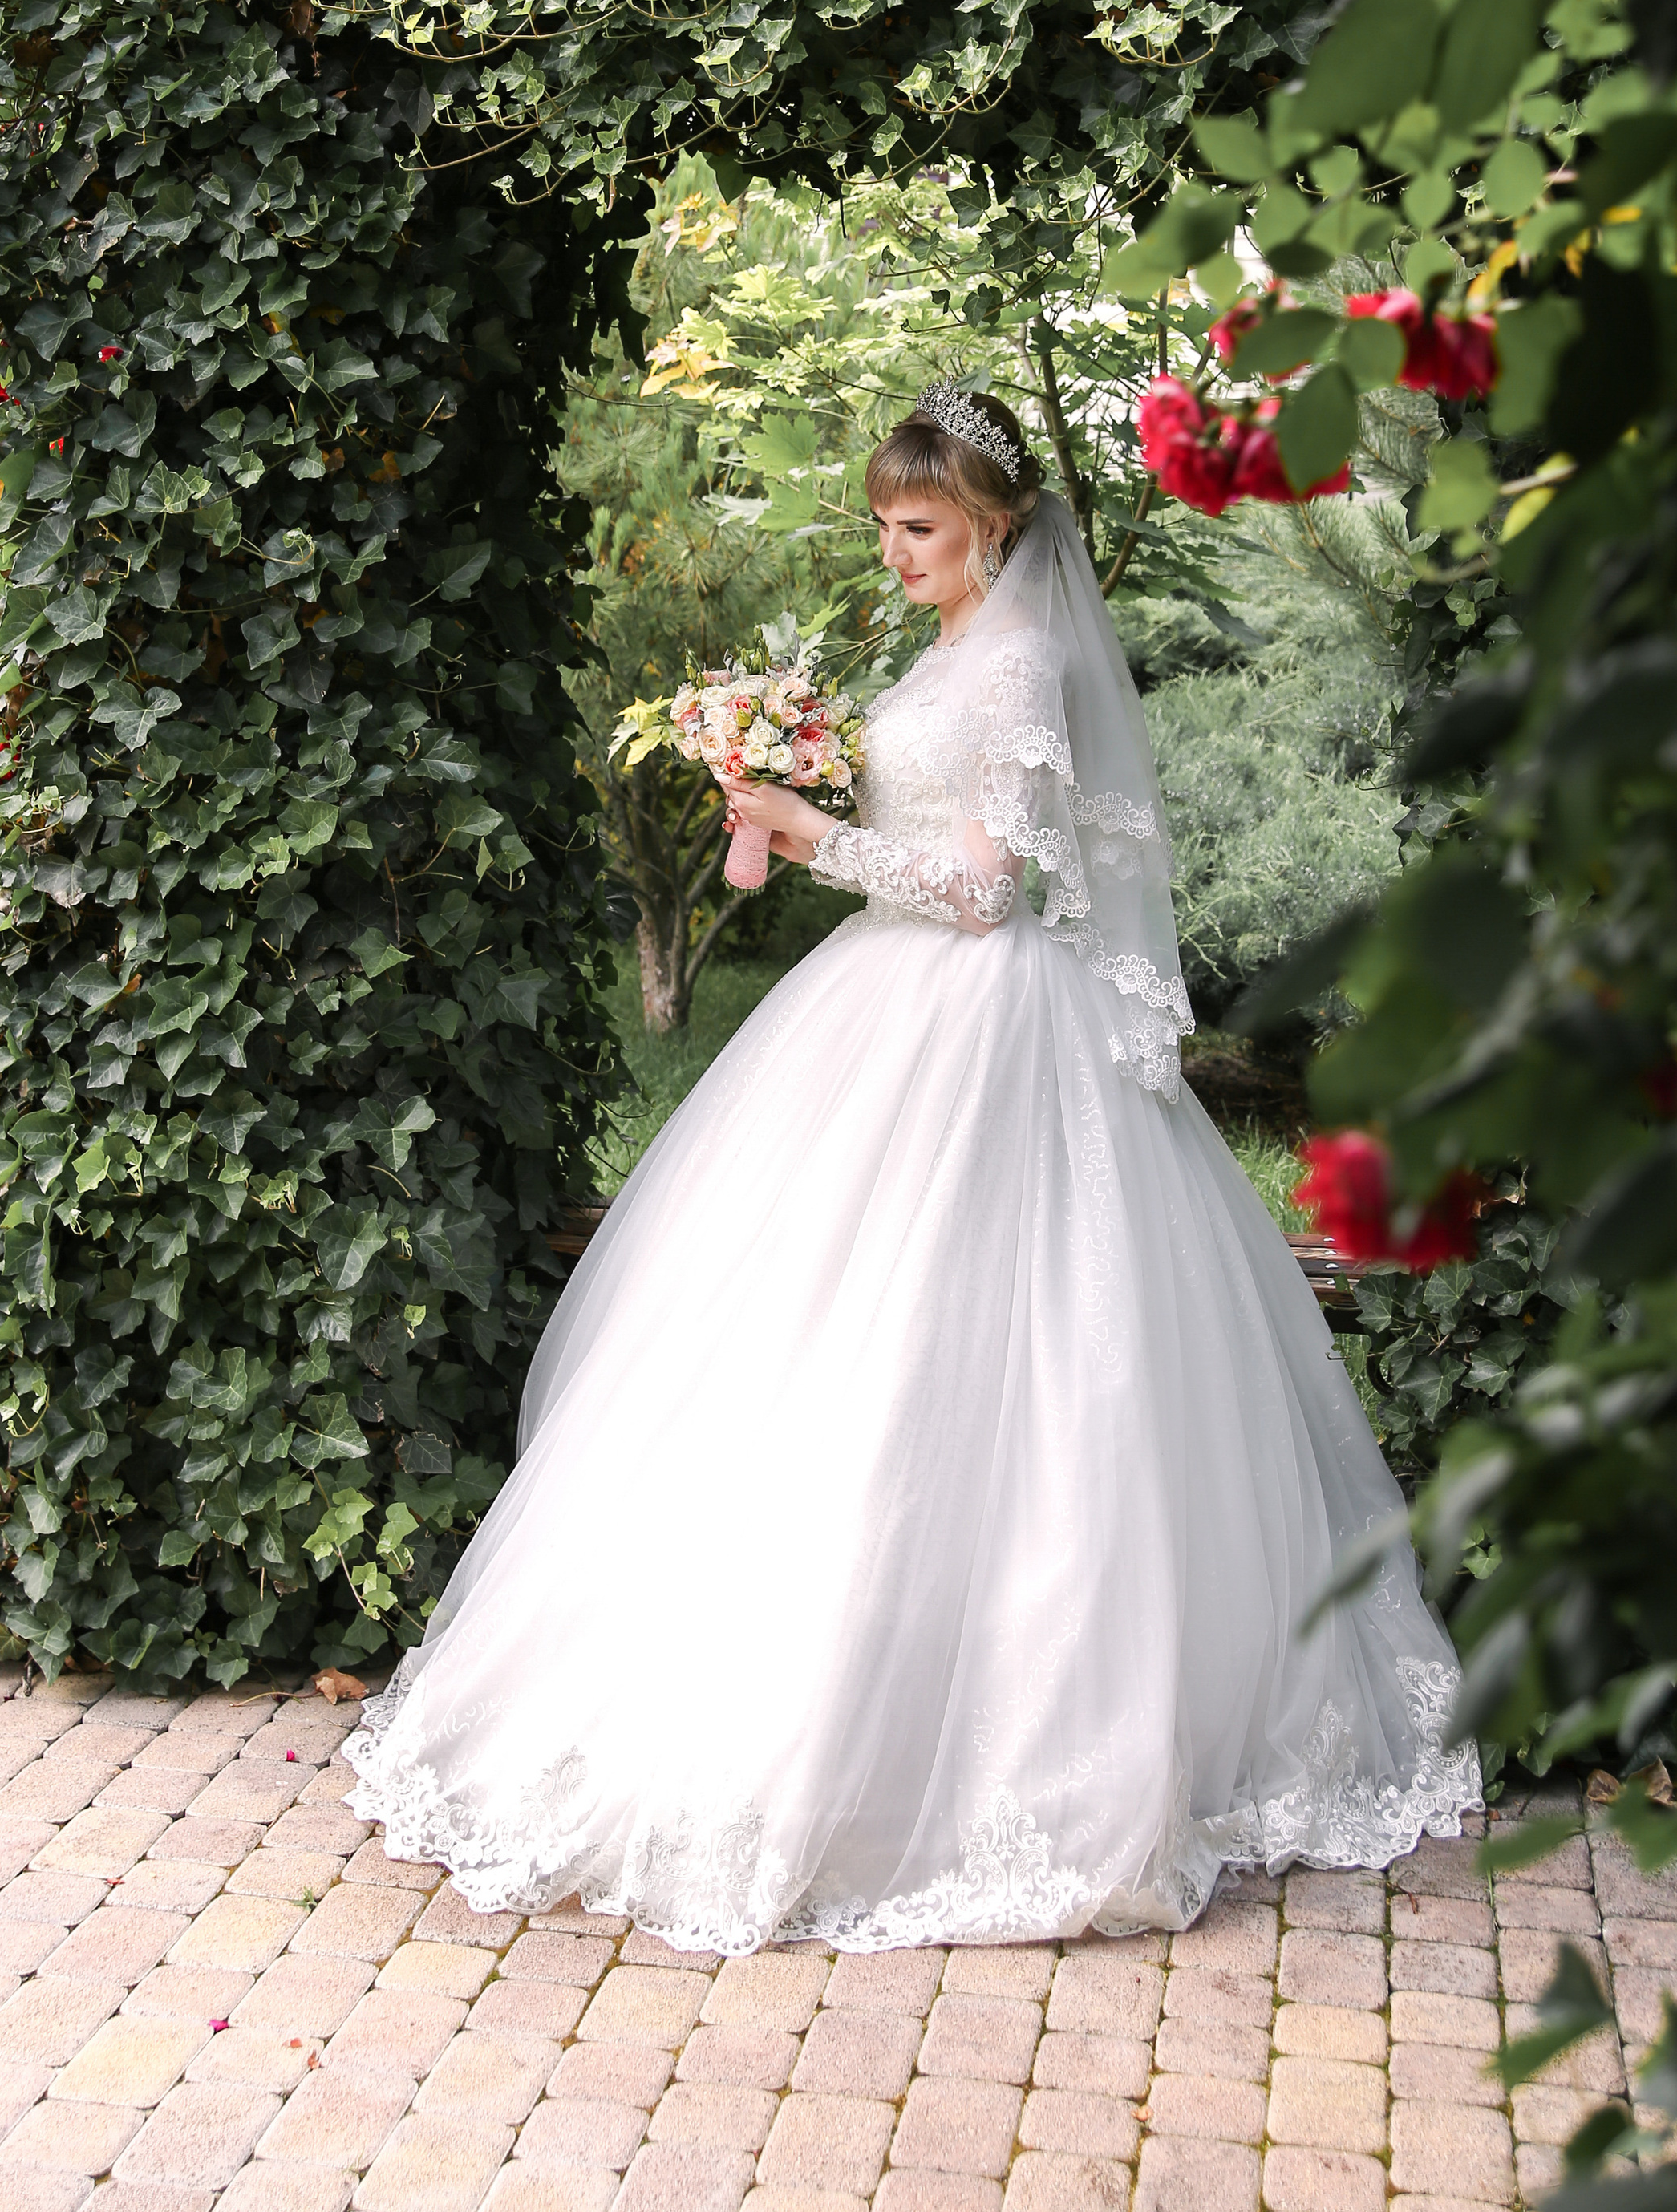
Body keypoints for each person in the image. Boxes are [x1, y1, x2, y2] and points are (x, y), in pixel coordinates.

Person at [345, 383, 1480, 1952]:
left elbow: (986, 891)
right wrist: (785, 804)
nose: (895, 549)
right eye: (885, 522)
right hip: (880, 1010)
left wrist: (810, 834)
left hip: (985, 1027)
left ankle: (1002, 1747)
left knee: (992, 1350)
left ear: (993, 522)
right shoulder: (950, 648)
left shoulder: (1016, 664)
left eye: (921, 525)